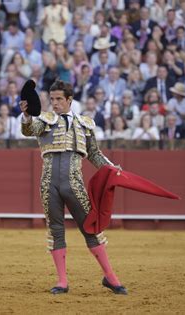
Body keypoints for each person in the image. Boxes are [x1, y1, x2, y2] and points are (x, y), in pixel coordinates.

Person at [20, 80, 127, 295]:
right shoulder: (45, 121)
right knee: (56, 231)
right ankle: (61, 281)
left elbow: (94, 154)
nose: (55, 103)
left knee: (91, 229)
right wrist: (27, 115)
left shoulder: (85, 124)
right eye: (52, 99)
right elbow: (29, 129)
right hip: (49, 184)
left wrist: (112, 168)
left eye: (59, 99)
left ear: (70, 100)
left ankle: (111, 277)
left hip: (74, 184)